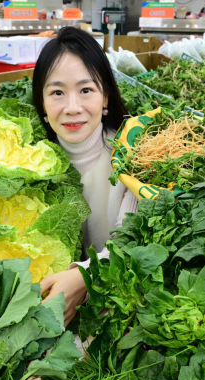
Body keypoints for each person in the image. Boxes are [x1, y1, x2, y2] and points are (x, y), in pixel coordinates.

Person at [32, 27, 138, 325]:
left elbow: (132, 241)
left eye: (86, 90)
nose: (72, 107)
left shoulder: (132, 155)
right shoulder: (29, 162)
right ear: (41, 103)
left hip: (114, 306)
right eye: (57, 93)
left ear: (105, 98)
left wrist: (83, 276)